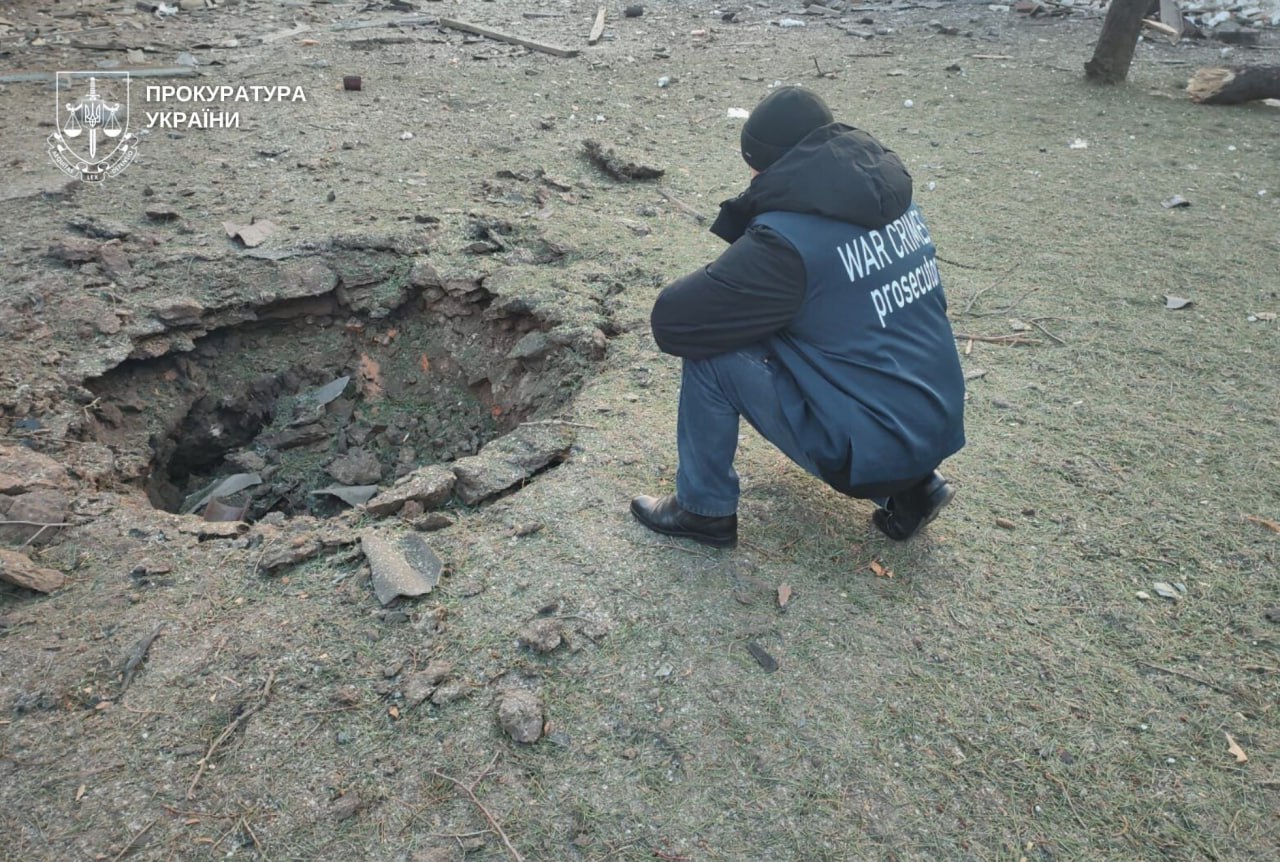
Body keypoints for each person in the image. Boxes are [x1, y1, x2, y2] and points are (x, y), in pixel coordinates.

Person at [630, 86, 966, 549]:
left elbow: (675, 321)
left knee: (711, 352)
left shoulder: (787, 243)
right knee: (849, 326)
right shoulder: (895, 199)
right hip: (933, 421)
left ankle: (701, 509)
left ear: (760, 163)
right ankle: (915, 488)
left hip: (868, 450)